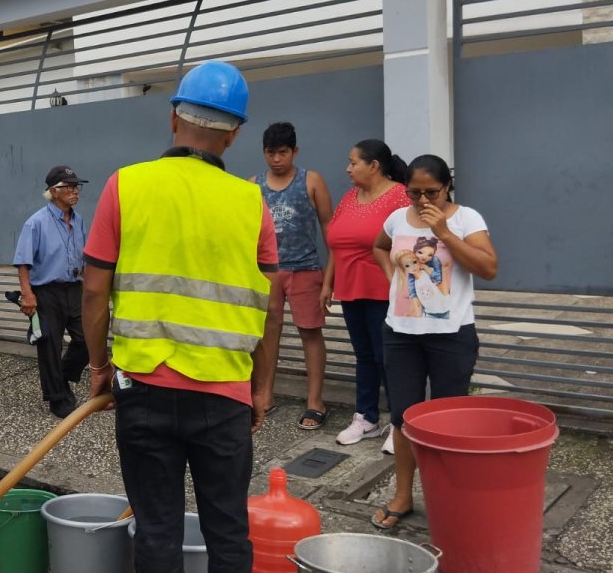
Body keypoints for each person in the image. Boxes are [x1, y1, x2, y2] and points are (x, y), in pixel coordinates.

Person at [82, 61, 279, 572]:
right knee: (229, 533)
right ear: (234, 136)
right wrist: (260, 388)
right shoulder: (252, 202)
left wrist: (100, 367)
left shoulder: (124, 186)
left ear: (174, 118)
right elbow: (269, 309)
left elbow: (94, 291)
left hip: (143, 389)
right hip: (225, 396)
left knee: (157, 532)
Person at [370, 154, 497, 529]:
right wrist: (393, 279)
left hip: (451, 334)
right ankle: (404, 494)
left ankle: (449, 498)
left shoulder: (465, 218)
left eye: (432, 192)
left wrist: (443, 233)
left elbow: (488, 268)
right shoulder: (396, 219)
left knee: (449, 422)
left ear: (447, 187)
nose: (423, 201)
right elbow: (379, 246)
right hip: (401, 334)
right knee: (402, 416)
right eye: (414, 193)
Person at [321, 139, 410, 453]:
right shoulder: (349, 197)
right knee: (364, 356)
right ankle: (367, 418)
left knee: (388, 357)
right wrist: (327, 283)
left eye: (353, 162)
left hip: (384, 290)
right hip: (350, 289)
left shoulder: (400, 196)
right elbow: (337, 244)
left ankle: (399, 423)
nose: (348, 168)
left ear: (374, 166)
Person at [250, 122, 332, 430]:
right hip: (268, 273)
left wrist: (329, 277)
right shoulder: (253, 185)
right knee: (267, 334)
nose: (276, 159)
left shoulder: (311, 181)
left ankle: (315, 402)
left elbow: (329, 230)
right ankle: (265, 395)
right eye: (271, 153)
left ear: (294, 151)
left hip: (305, 268)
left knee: (310, 331)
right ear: (264, 153)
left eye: (283, 152)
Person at [13, 165, 91, 418]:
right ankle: (57, 396)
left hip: (74, 289)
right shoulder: (36, 223)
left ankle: (64, 375)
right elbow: (23, 262)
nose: (75, 191)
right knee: (49, 344)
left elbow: (84, 257)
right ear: (53, 191)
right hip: (46, 291)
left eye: (76, 186)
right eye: (68, 187)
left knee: (87, 338)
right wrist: (28, 295)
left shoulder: (78, 221)